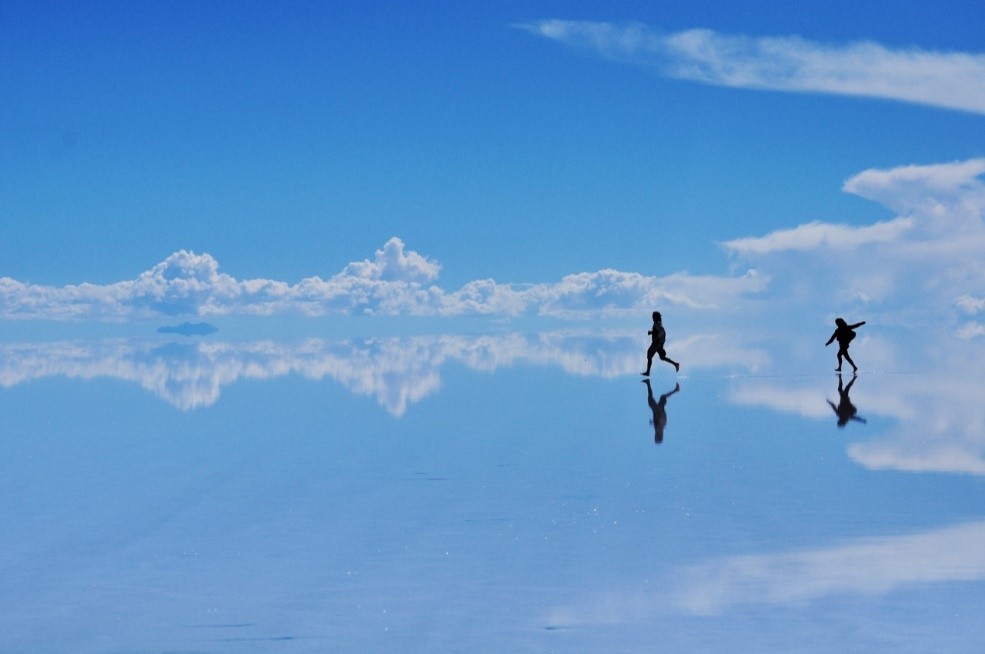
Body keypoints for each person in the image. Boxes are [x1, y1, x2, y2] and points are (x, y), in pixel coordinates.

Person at [642, 311, 679, 375]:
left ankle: (648, 372)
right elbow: (657, 332)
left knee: (649, 355)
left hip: (656, 344)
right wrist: (651, 332)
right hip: (659, 344)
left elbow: (662, 331)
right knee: (662, 357)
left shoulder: (657, 323)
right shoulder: (657, 323)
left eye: (653, 316)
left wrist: (656, 338)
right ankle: (676, 364)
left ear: (655, 317)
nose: (652, 318)